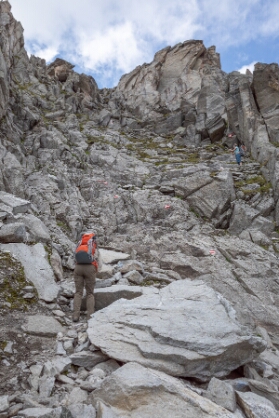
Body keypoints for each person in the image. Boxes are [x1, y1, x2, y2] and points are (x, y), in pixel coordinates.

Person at [73, 232, 102, 322]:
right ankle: (90, 316)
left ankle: (75, 316)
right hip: (90, 268)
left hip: (78, 268)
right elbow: (99, 263)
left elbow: (74, 257)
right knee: (90, 293)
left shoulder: (80, 244)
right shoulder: (93, 246)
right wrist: (96, 270)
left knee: (78, 292)